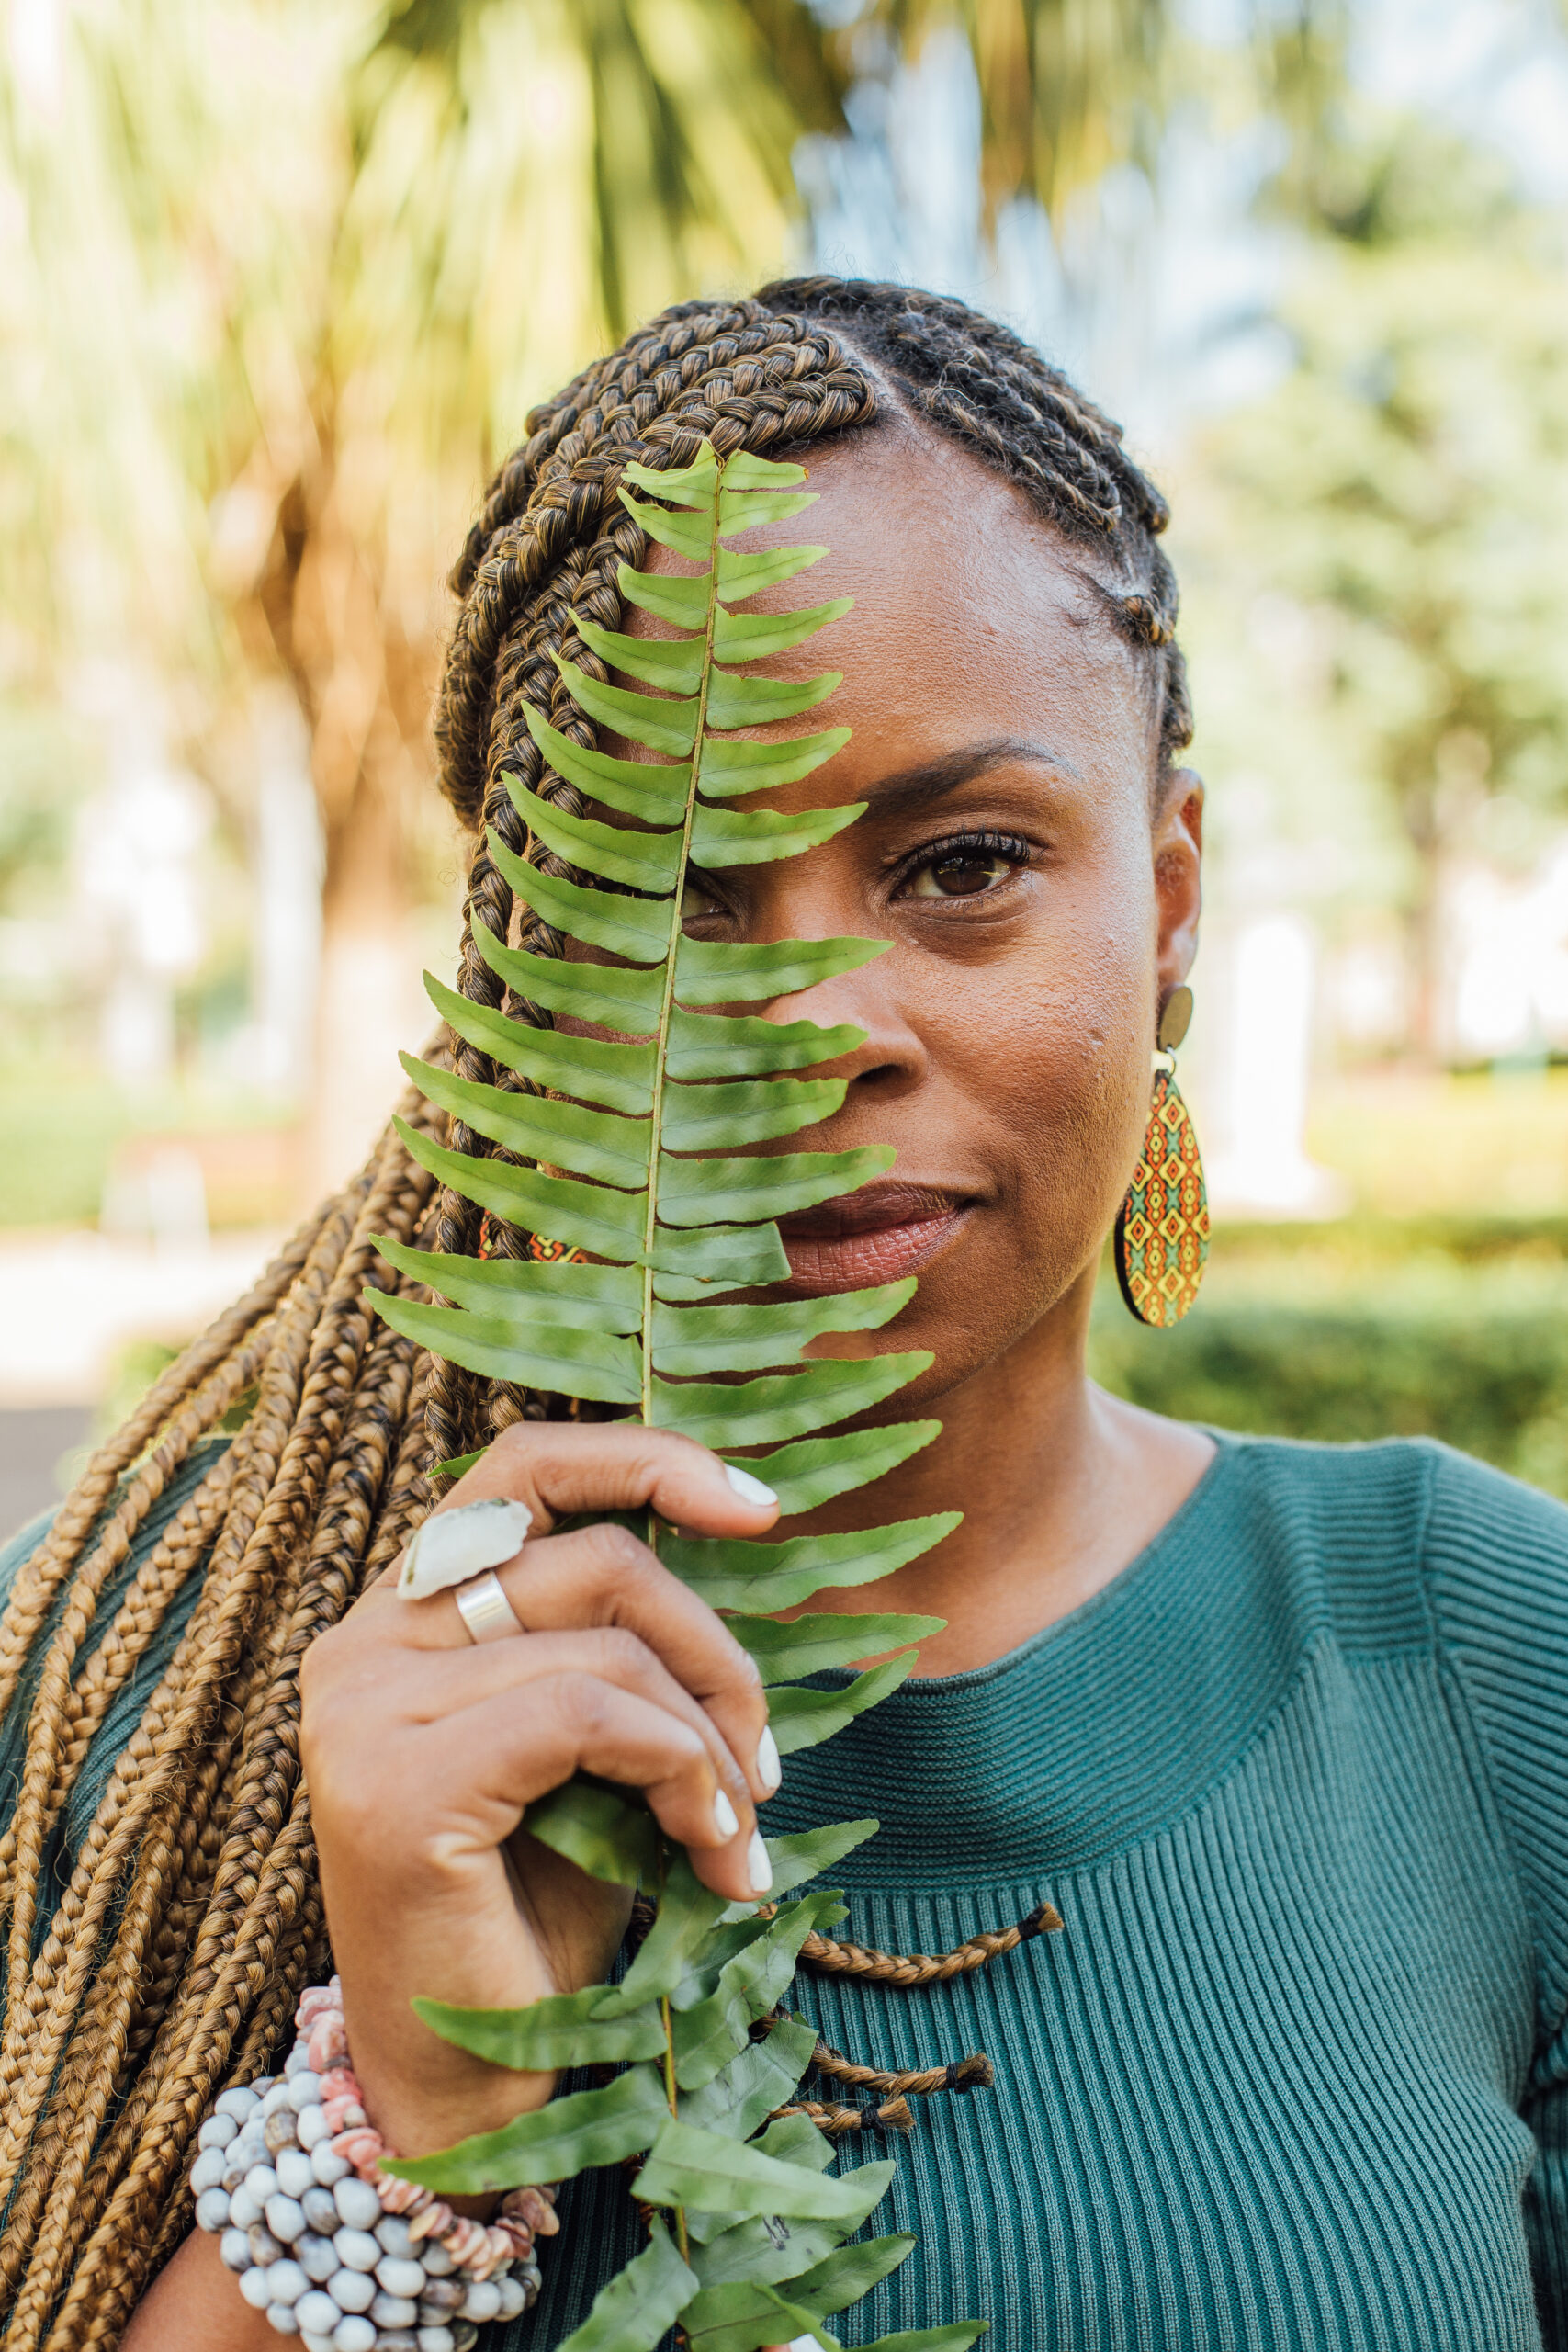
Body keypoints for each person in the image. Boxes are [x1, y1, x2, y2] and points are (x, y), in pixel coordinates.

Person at [3, 277, 1567, 2352]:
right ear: (520, 981)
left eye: (963, 864)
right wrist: (405, 2118)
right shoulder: (130, 1689)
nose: (810, 1030)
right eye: (677, 901)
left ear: (1170, 898)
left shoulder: (1488, 1667)